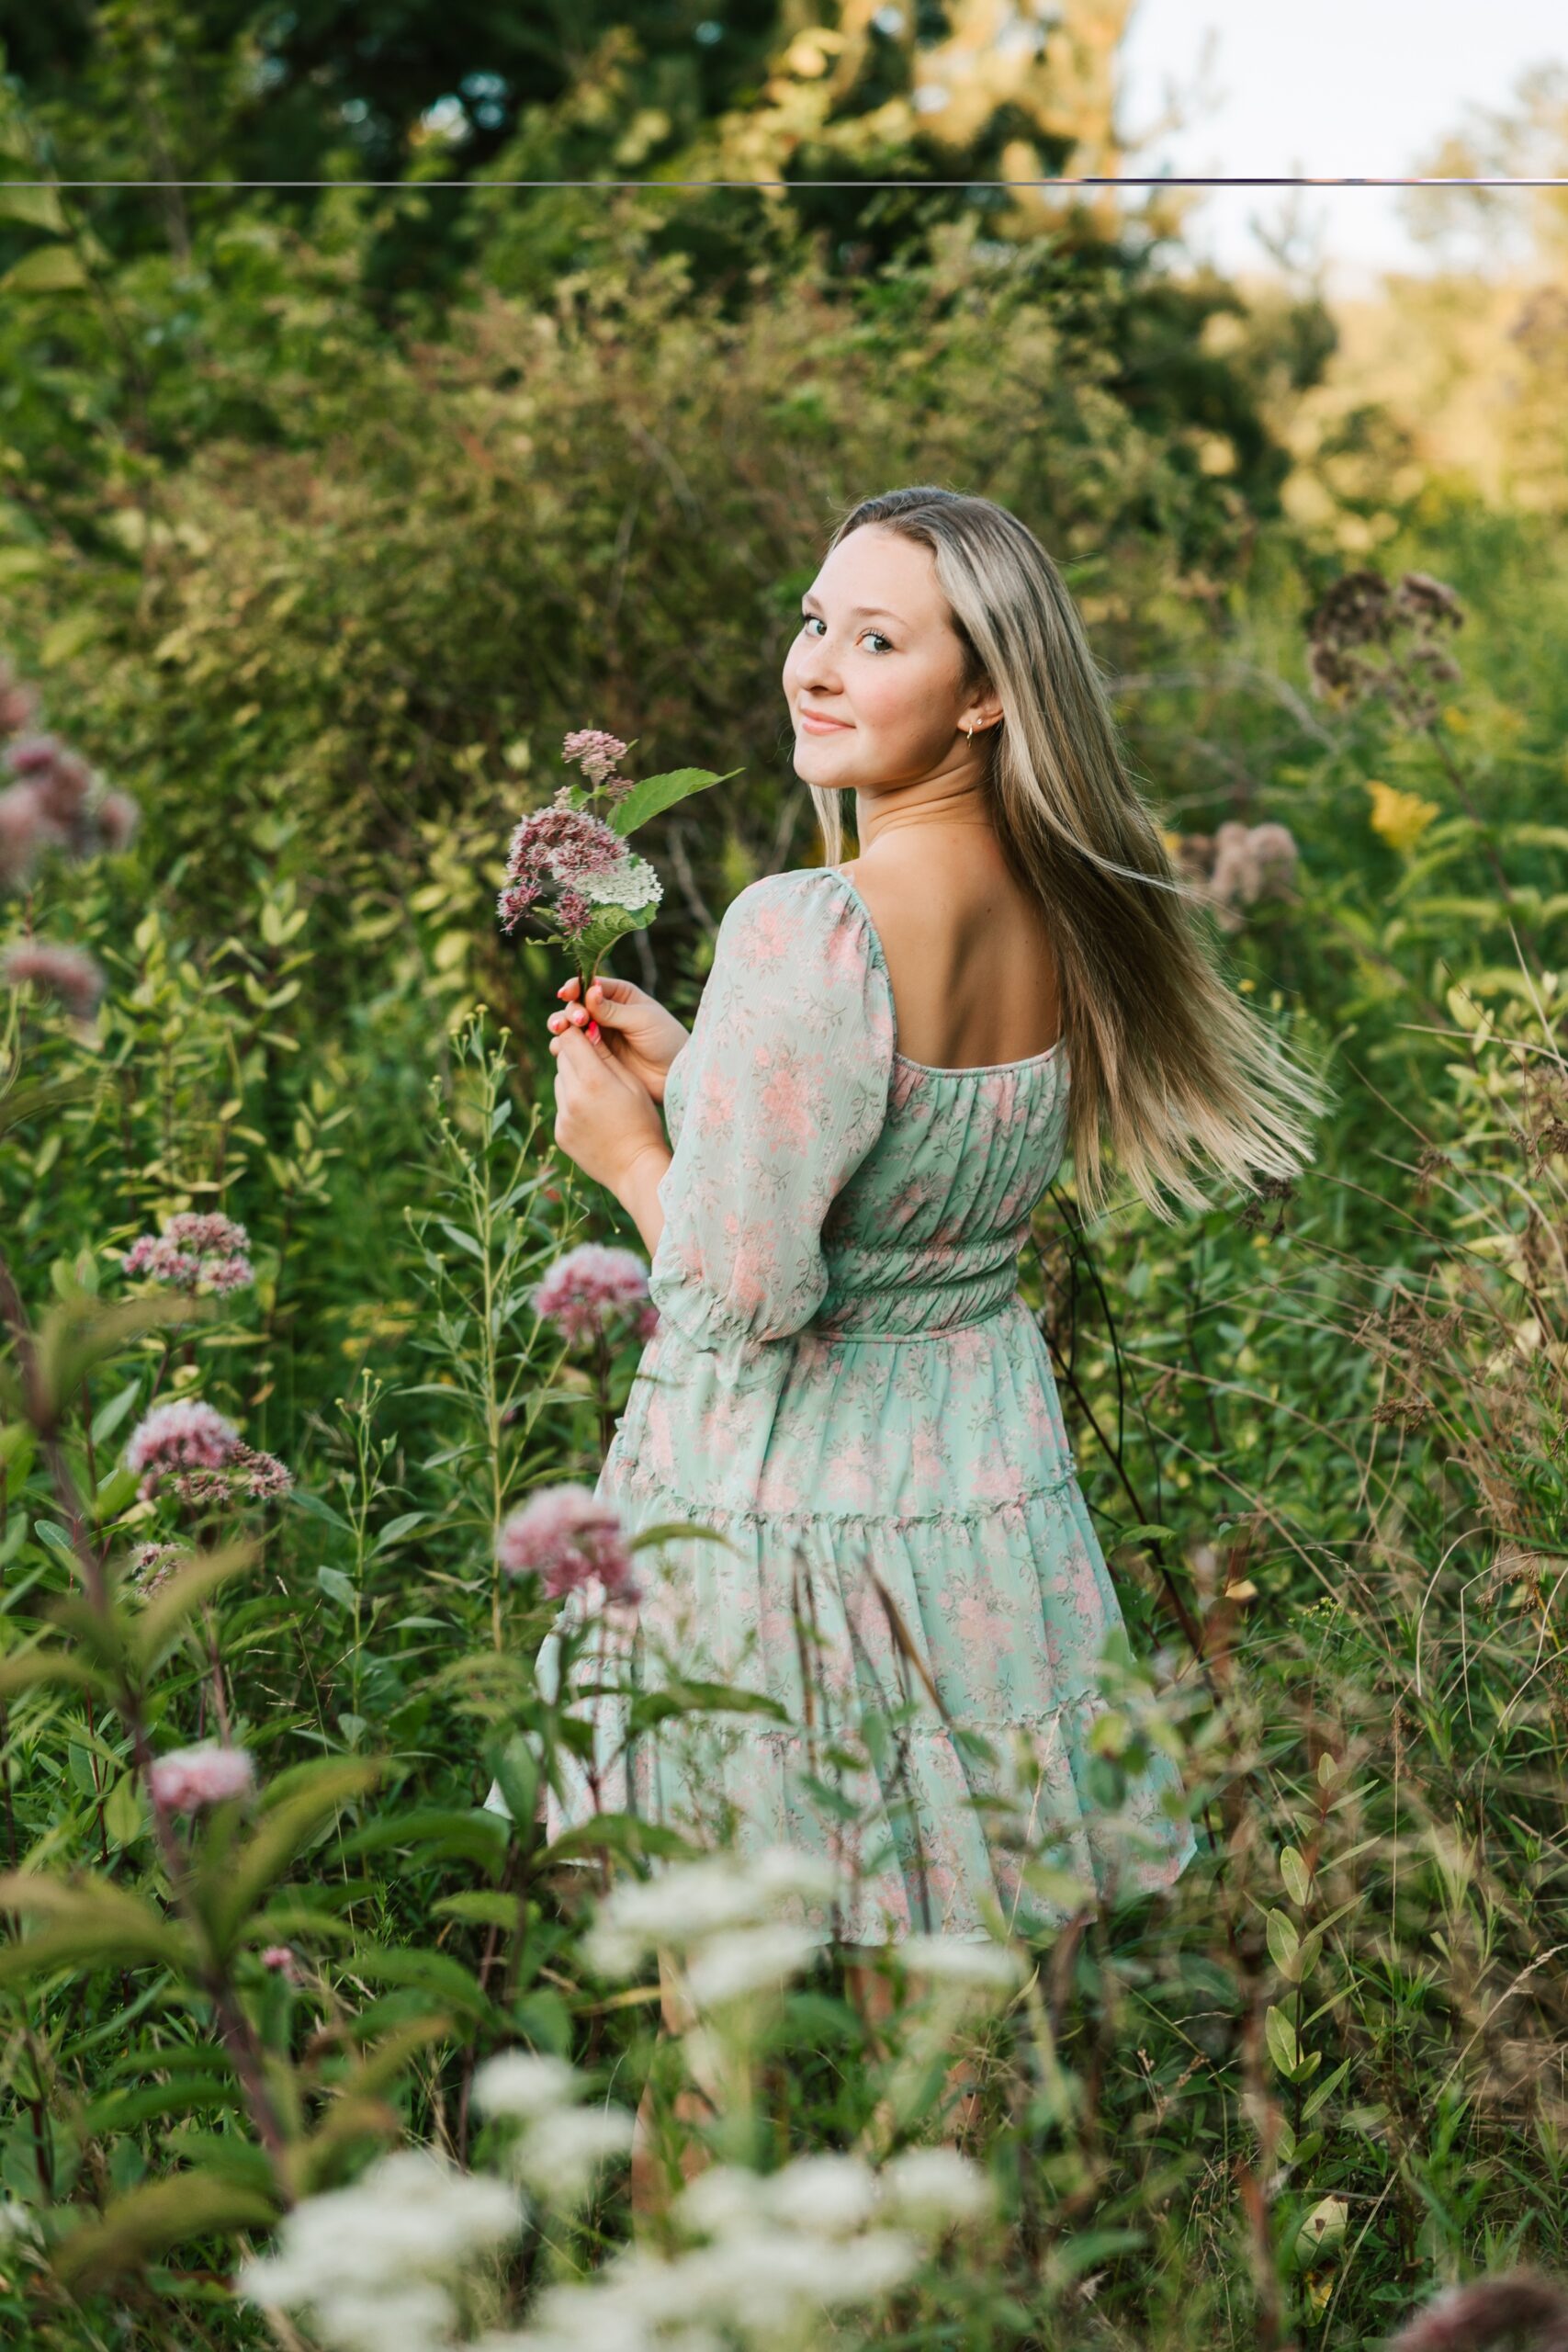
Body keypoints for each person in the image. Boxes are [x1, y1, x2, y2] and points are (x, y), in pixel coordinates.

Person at [530, 483, 1323, 2194]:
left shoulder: (810, 923)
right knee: (947, 2029)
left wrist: (632, 1153)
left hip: (782, 1506)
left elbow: (743, 1294)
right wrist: (713, 1065)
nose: (817, 665)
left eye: (877, 639)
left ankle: (701, 2302)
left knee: (714, 2025)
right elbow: (904, 1173)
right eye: (817, 621)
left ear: (984, 691)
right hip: (975, 1499)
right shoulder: (1049, 905)